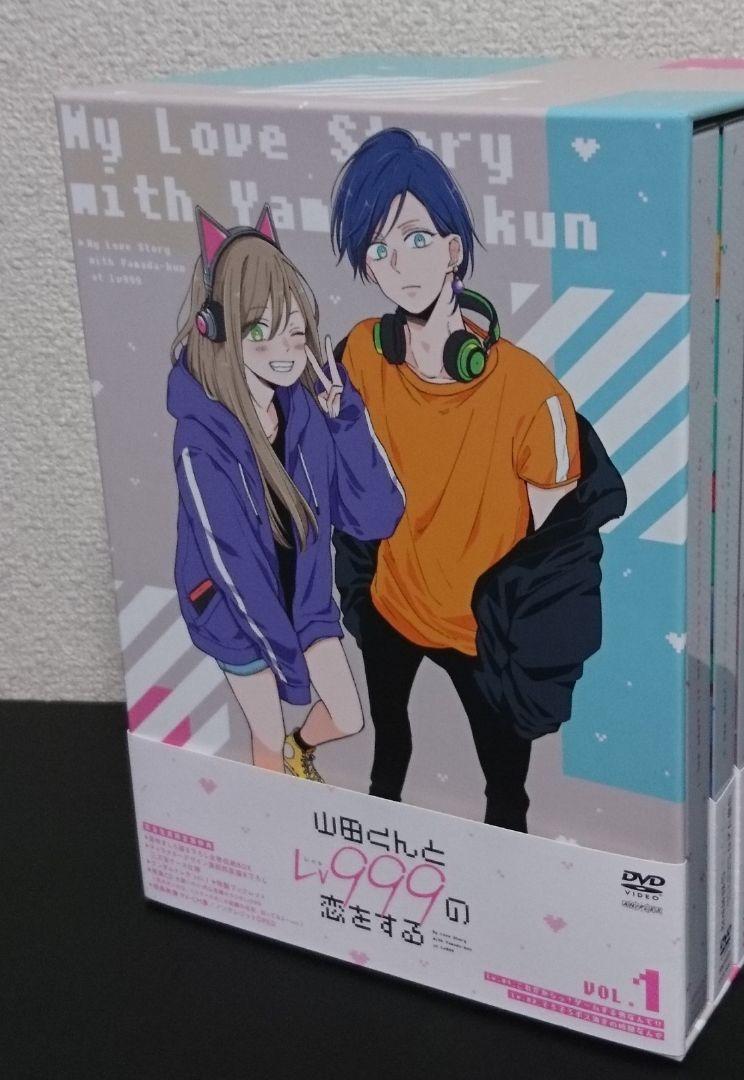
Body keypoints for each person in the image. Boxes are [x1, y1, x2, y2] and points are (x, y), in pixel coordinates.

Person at [329, 129, 626, 833]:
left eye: (416, 239)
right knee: (387, 755)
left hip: (483, 637)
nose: (399, 265)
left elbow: (553, 554)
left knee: (505, 795)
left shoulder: (531, 395)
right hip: (390, 604)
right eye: (378, 250)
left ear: (455, 249)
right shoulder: (361, 358)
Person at [168, 204, 404, 781]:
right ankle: (274, 808)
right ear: (216, 329)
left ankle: (301, 751)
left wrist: (345, 422)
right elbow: (232, 564)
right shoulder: (201, 440)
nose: (285, 350)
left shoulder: (306, 410)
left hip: (304, 599)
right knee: (267, 737)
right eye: (261, 330)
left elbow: (377, 517)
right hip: (232, 611)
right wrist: (288, 664)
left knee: (348, 717)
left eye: (295, 332)